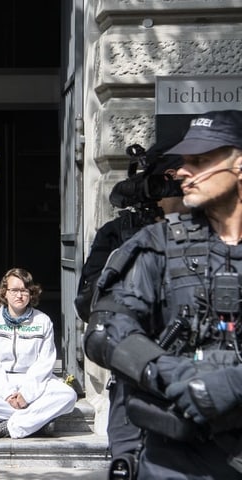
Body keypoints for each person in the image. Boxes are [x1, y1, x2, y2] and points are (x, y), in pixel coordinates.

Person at [85, 109, 242, 479]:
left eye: (201, 161)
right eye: (184, 160)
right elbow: (105, 330)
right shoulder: (158, 244)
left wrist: (231, 383)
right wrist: (169, 371)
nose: (184, 171)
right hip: (173, 456)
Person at [75, 145, 187, 475]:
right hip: (136, 368)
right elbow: (86, 303)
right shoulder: (120, 234)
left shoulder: (211, 234)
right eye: (171, 178)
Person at [0, 267, 77, 439]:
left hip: (33, 381)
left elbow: (44, 362)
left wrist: (27, 393)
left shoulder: (42, 321)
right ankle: (37, 424)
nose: (19, 295)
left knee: (68, 396)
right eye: (14, 290)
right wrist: (8, 392)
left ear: (31, 294)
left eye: (24, 290)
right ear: (5, 292)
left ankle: (7, 428)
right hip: (1, 381)